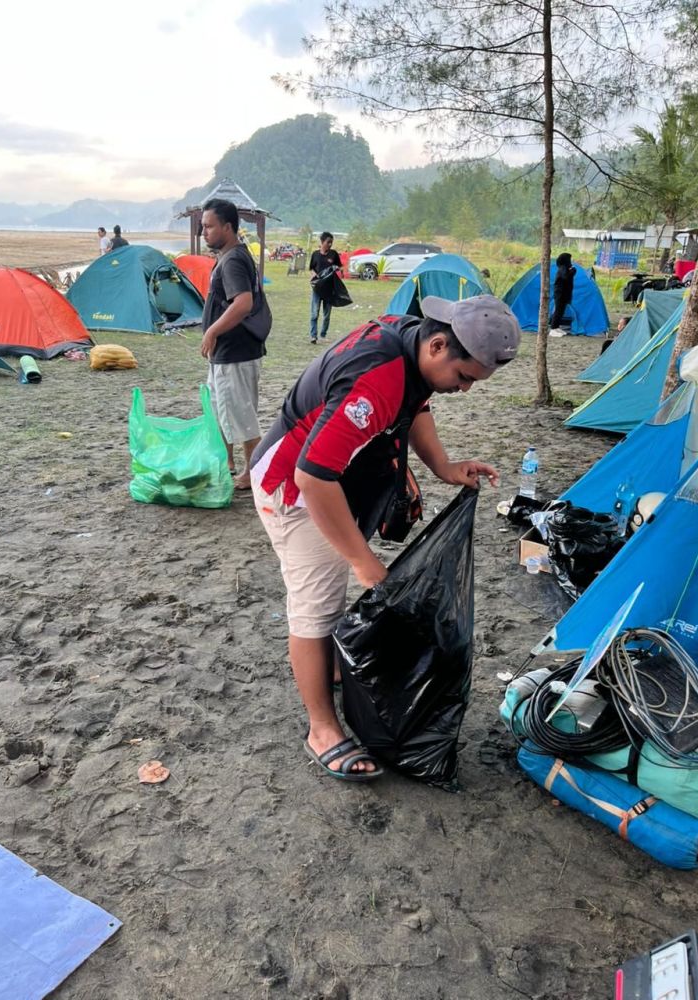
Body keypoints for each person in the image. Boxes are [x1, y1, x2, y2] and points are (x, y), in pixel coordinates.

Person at [250, 295, 521, 781]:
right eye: (464, 377)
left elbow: (416, 402)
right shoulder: (376, 378)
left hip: (337, 481)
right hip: (292, 487)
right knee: (316, 607)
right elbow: (313, 477)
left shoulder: (415, 341)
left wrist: (443, 466)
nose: (464, 390)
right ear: (439, 345)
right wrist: (361, 559)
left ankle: (332, 666)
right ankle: (321, 729)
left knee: (332, 587)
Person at [200, 198, 266, 491]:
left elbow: (243, 303)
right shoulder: (230, 256)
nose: (204, 232)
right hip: (227, 353)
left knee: (242, 416)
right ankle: (226, 462)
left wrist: (212, 331)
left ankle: (253, 473)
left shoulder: (233, 260)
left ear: (228, 227)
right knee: (223, 410)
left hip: (235, 353)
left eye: (209, 226)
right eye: (203, 227)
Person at [308, 232, 342, 344]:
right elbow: (311, 268)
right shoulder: (315, 254)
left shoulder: (333, 254)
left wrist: (337, 270)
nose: (330, 244)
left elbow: (339, 267)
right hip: (317, 289)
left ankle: (323, 335)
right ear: (322, 242)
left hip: (329, 289)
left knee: (326, 315)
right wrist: (314, 275)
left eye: (331, 242)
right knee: (314, 313)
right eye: (328, 242)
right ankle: (313, 336)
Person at [550, 251, 576, 332]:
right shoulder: (563, 268)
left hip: (563, 294)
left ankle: (556, 327)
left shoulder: (564, 268)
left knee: (560, 311)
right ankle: (553, 328)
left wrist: (571, 271)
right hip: (560, 294)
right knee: (558, 311)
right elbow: (566, 277)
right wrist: (572, 272)